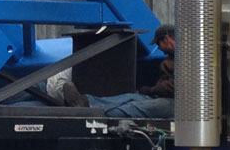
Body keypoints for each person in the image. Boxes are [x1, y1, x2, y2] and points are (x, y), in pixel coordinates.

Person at [47, 23, 176, 117]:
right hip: (161, 97)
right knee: (128, 97)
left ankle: (94, 113)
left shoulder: (186, 60)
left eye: (159, 44)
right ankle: (85, 102)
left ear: (166, 39)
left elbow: (175, 87)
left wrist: (151, 90)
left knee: (134, 108)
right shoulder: (172, 58)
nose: (159, 49)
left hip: (176, 104)